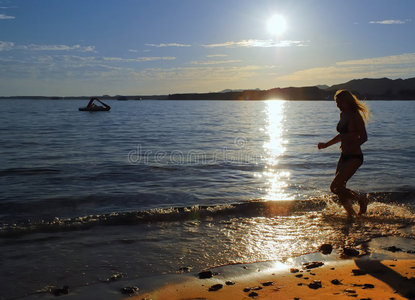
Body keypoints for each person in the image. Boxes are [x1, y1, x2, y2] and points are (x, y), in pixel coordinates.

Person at [318, 90, 370, 218]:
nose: (338, 105)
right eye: (337, 102)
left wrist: (352, 146)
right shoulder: (343, 115)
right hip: (344, 156)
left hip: (354, 157)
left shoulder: (355, 116)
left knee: (334, 187)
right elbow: (342, 135)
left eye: (340, 102)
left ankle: (361, 199)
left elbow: (364, 137)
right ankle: (351, 215)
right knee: (340, 189)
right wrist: (326, 144)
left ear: (347, 101)